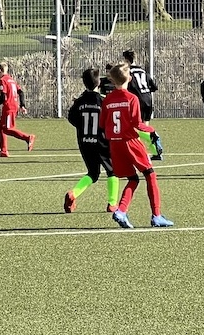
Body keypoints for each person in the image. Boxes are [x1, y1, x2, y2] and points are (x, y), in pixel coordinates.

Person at [101, 61, 172, 228]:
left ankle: (121, 211)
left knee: (132, 179)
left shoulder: (107, 100)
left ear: (112, 80)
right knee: (150, 174)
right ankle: (156, 215)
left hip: (114, 145)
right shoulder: (132, 98)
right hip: (130, 142)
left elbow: (103, 125)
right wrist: (152, 130)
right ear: (130, 78)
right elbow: (137, 124)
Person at [64, 67, 122, 214]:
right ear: (99, 83)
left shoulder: (79, 101)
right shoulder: (104, 101)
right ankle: (112, 204)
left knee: (92, 173)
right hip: (102, 142)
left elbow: (71, 117)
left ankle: (73, 194)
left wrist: (83, 127)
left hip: (84, 142)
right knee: (113, 171)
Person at [122, 49, 164, 160]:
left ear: (126, 60)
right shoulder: (143, 72)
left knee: (136, 128)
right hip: (148, 100)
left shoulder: (128, 72)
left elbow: (126, 88)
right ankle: (155, 151)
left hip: (138, 101)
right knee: (144, 127)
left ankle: (143, 150)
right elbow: (153, 87)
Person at [0, 62, 34, 157]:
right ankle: (3, 151)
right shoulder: (11, 80)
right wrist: (22, 105)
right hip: (13, 106)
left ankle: (28, 138)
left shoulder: (3, 80)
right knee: (0, 128)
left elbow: (3, 97)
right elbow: (21, 92)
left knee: (7, 129)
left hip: (9, 107)